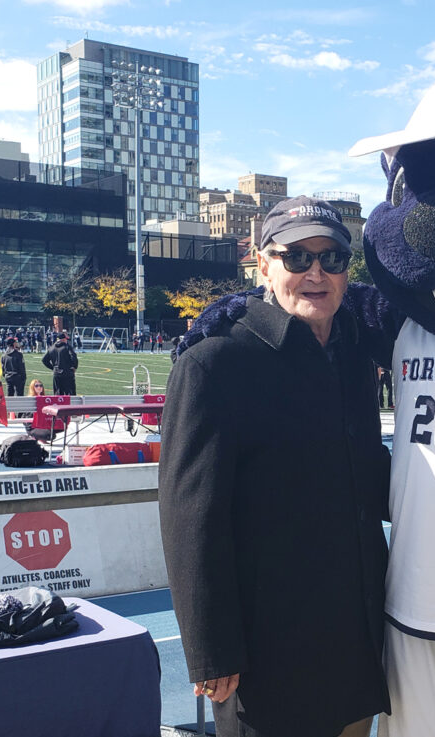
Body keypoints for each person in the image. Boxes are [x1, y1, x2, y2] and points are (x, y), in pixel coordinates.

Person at [159, 196, 390, 737]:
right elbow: (190, 517)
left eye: (332, 259)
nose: (316, 273)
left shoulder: (355, 353)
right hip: (269, 644)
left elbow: (364, 470)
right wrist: (209, 648)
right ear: (262, 264)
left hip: (355, 625)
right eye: (297, 257)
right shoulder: (214, 363)